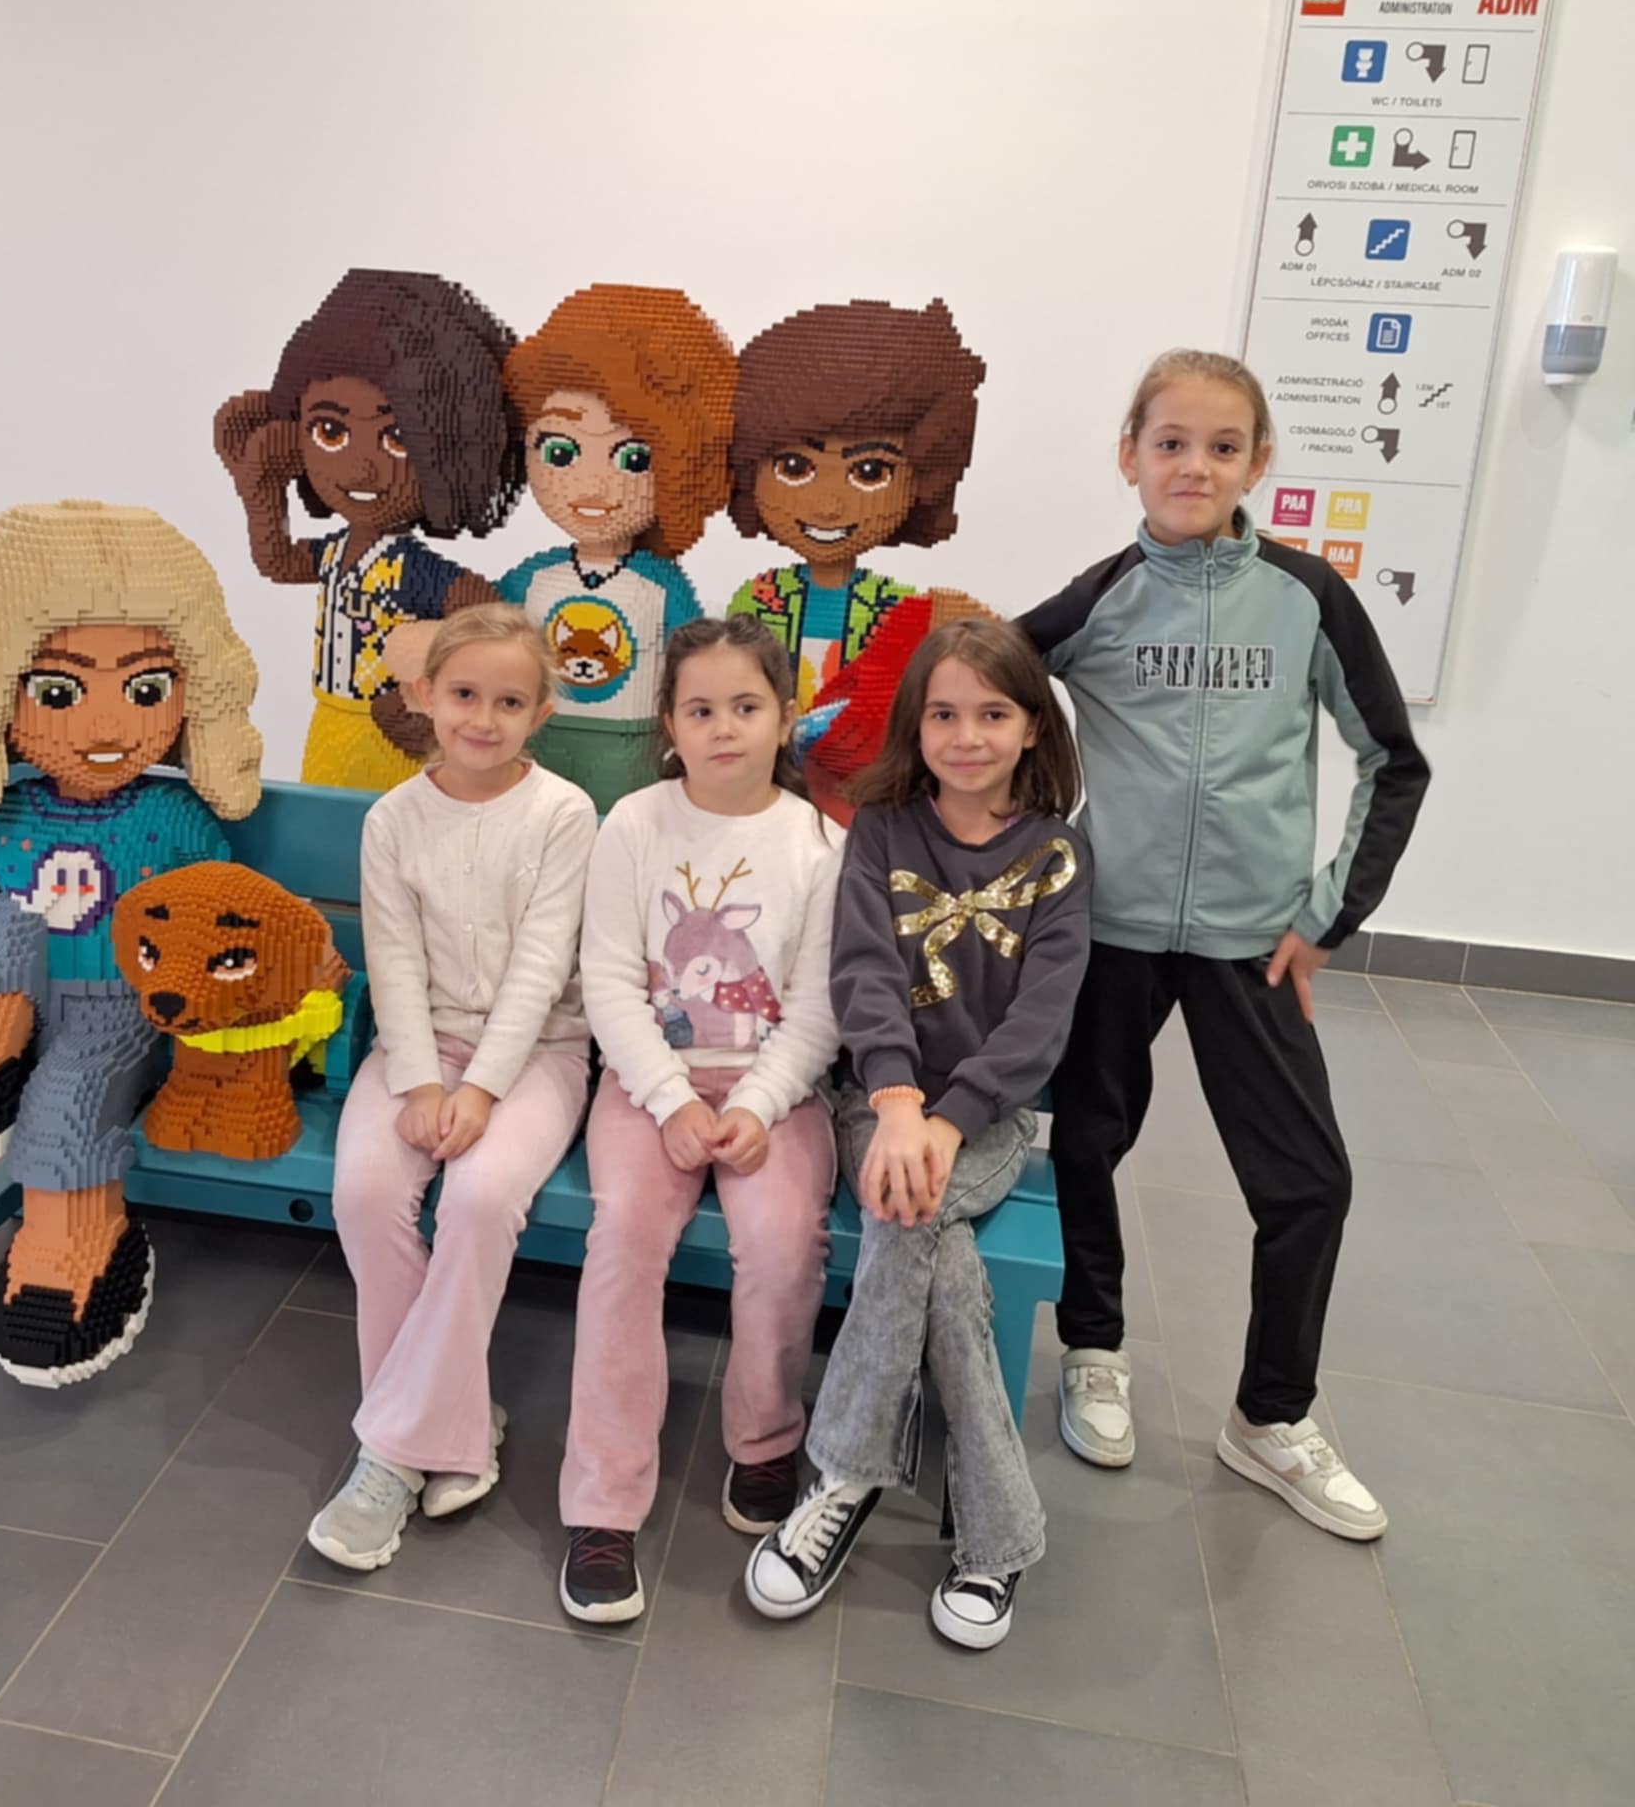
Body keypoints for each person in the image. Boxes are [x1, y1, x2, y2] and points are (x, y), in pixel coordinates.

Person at [1022, 349, 1429, 1539]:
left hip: (1252, 942)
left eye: (1219, 445)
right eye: (1169, 442)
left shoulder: (1306, 596)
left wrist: (1325, 915)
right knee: (1085, 1139)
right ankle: (1092, 1349)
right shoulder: (1100, 596)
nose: (1192, 465)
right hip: (1110, 930)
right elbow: (978, 688)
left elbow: (1393, 760)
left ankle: (1270, 1416)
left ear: (1256, 463)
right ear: (1128, 455)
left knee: (1307, 1179)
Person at [0, 503, 262, 1385]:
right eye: (60, 693)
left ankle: (73, 1247)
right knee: (3, 923)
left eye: (145, 690)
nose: (107, 728)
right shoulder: (4, 813)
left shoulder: (175, 818)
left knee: (70, 1089)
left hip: (123, 1009)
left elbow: (213, 928)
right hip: (21, 1006)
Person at [745, 617, 1089, 1649]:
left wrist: (948, 1119)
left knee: (911, 1216)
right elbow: (862, 973)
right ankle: (998, 1535)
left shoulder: (1056, 854)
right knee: (935, 1252)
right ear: (915, 724)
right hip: (877, 1102)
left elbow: (1041, 1019)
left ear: (1033, 727)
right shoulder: (884, 830)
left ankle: (844, 1474)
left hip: (988, 1116)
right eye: (943, 714)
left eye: (992, 713)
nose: (966, 736)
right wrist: (898, 1102)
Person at [558, 615, 841, 1623]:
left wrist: (758, 1103)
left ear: (785, 717)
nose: (724, 727)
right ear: (669, 726)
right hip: (649, 1089)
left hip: (776, 1091)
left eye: (746, 706)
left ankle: (764, 1441)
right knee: (624, 1239)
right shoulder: (634, 824)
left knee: (782, 1241)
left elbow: (817, 1006)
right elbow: (607, 980)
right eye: (701, 709)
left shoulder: (820, 844)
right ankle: (602, 1498)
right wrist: (672, 1098)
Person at [310, 604, 596, 1569]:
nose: (484, 718)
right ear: (425, 694)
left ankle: (387, 1457)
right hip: (418, 1046)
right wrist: (423, 1080)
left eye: (510, 702)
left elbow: (544, 965)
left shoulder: (563, 813)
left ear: (541, 712)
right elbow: (391, 957)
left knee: (478, 1198)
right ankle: (457, 1424)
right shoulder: (394, 818)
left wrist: (481, 1092)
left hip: (537, 1052)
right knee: (365, 1192)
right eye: (465, 694)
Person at [213, 268, 522, 790]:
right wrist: (259, 489)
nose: (360, 468)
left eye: (397, 438)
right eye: (330, 431)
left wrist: (422, 691)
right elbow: (277, 561)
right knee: (324, 819)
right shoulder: (335, 554)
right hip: (329, 720)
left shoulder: (414, 571)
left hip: (395, 736)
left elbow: (490, 617)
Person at [725, 299, 991, 823]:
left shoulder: (901, 611)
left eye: (870, 471)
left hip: (866, 807)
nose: (828, 504)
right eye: (795, 466)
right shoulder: (758, 600)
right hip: (766, 800)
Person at [496, 283, 735, 813]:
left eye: (632, 459)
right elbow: (480, 642)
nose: (593, 484)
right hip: (537, 739)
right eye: (561, 452)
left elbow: (692, 667)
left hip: (631, 748)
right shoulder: (530, 580)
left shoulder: (662, 585)